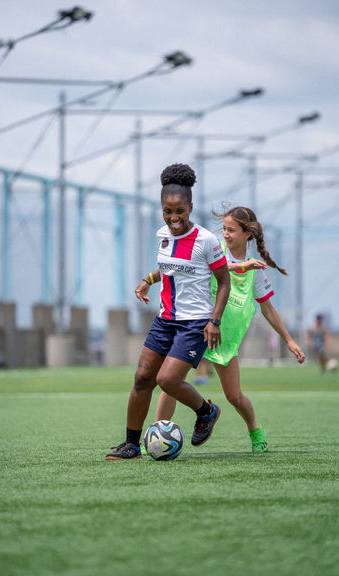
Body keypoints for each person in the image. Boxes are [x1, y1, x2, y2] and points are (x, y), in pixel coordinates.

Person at [151, 205, 306, 453]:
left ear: (247, 234)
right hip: (197, 327)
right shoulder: (214, 250)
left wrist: (289, 340)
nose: (225, 234)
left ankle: (255, 429)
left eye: (231, 230)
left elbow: (267, 309)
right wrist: (149, 279)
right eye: (223, 228)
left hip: (224, 339)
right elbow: (209, 268)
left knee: (234, 396)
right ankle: (158, 434)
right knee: (171, 381)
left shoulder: (255, 270)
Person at [106, 163, 229, 460]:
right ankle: (131, 445)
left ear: (190, 207)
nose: (173, 218)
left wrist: (214, 321)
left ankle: (207, 411)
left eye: (179, 211)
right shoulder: (162, 234)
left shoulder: (206, 241)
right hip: (165, 320)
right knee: (142, 378)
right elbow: (169, 268)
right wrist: (148, 280)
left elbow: (224, 282)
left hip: (195, 322)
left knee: (167, 381)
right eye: (167, 211)